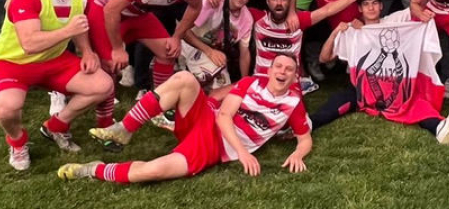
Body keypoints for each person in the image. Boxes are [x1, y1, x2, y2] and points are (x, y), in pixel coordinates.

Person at [65, 54, 312, 183]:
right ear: (270, 70)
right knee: (184, 78)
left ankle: (94, 169)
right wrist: (244, 153)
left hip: (214, 146)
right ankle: (125, 128)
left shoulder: (293, 103)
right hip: (209, 120)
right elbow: (224, 116)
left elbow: (305, 139)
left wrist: (298, 154)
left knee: (153, 171)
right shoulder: (251, 82)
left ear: (294, 76)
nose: (282, 72)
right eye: (278, 66)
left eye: (289, 69)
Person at [0, 0, 115, 171]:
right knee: (6, 108)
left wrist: (87, 51)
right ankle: (17, 142)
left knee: (103, 85)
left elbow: (78, 25)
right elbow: (29, 44)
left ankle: (56, 126)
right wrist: (68, 31)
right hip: (13, 62)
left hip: (53, 60)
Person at [312, 0, 449, 144]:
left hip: (395, 86)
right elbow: (324, 58)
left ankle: (440, 128)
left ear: (381, 6)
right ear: (360, 9)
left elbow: (416, 8)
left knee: (415, 104)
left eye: (375, 3)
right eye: (366, 4)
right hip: (363, 89)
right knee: (339, 102)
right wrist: (336, 32)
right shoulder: (353, 30)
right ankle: (309, 124)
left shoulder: (394, 21)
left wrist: (424, 13)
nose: (371, 8)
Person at [83, 0, 203, 133]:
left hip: (136, 12)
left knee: (168, 52)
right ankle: (105, 124)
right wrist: (117, 48)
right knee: (111, 64)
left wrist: (177, 36)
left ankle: (159, 108)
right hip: (102, 6)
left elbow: (196, 7)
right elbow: (111, 10)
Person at [181, 0, 256, 89]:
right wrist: (209, 51)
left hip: (216, 57)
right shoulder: (213, 1)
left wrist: (244, 82)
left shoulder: (247, 19)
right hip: (191, 48)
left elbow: (244, 54)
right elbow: (183, 31)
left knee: (225, 89)